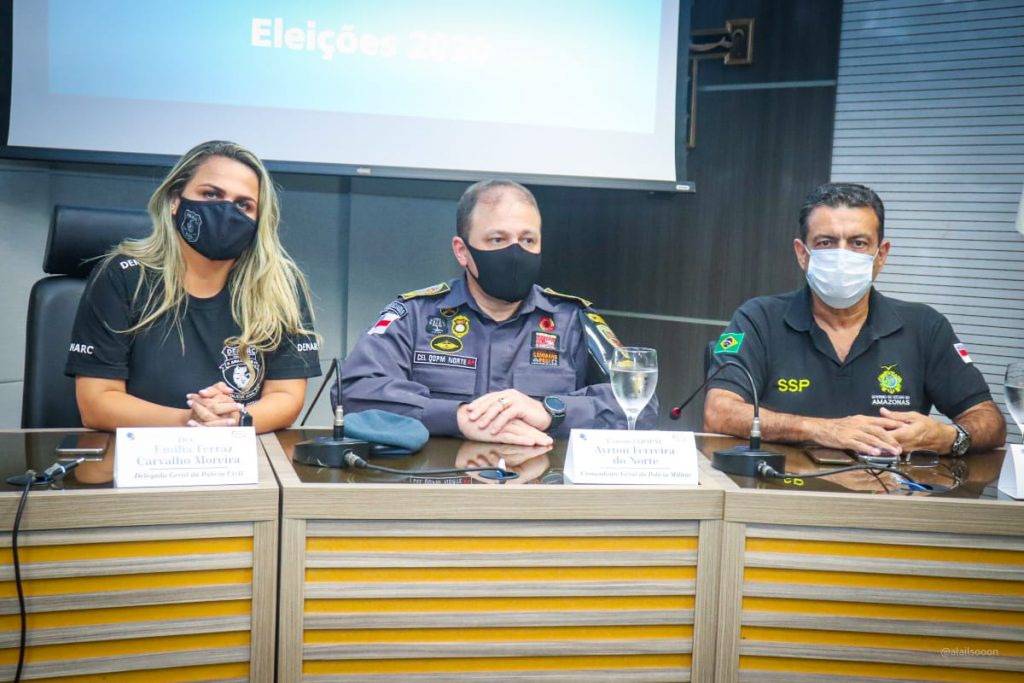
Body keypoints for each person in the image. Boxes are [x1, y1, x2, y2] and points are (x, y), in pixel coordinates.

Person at [336, 178, 657, 445]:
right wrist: (457, 417)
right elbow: (353, 392)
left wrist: (551, 411)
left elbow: (640, 405)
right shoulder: (414, 315)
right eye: (497, 239)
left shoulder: (573, 320)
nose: (515, 252)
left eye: (528, 240)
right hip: (438, 488)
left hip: (541, 491)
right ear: (462, 251)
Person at [704, 182, 1005, 456]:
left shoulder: (925, 326)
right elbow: (719, 411)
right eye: (826, 242)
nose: (842, 256)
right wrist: (822, 430)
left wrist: (951, 437)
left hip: (889, 493)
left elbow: (989, 420)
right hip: (780, 488)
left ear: (881, 255)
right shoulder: (758, 318)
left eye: (858, 243)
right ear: (802, 253)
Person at [66, 140, 321, 434]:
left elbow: (286, 396)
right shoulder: (122, 276)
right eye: (211, 194)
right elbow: (96, 403)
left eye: (243, 205)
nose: (226, 212)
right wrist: (192, 421)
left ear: (259, 219)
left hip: (240, 451)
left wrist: (235, 420)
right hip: (144, 452)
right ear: (175, 199)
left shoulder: (280, 285)